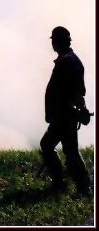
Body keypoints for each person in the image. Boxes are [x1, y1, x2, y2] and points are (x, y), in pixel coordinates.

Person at [40, 26, 91, 197]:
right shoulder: (70, 60)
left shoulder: (66, 62)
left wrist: (73, 109)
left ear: (58, 41)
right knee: (69, 151)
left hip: (63, 115)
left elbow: (72, 92)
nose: (53, 44)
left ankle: (68, 184)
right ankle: (79, 186)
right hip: (63, 115)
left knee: (52, 146)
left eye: (54, 40)